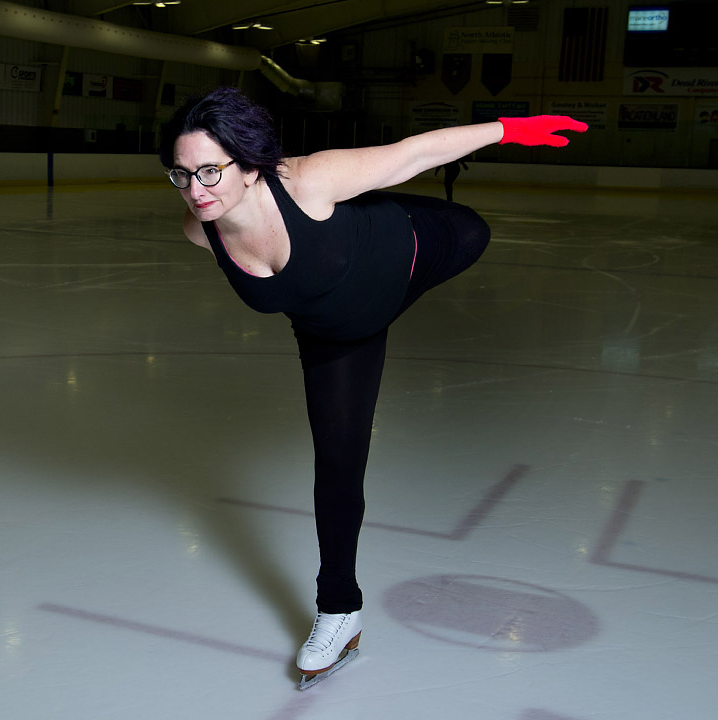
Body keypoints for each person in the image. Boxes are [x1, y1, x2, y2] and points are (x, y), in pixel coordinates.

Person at [158, 87, 587, 689]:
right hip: (337, 341)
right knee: (336, 467)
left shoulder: (305, 181)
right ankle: (338, 612)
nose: (196, 189)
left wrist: (508, 129)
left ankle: (367, 209)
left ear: (250, 163)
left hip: (405, 251)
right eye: (181, 174)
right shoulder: (201, 232)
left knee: (471, 228)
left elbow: (414, 152)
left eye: (210, 171)